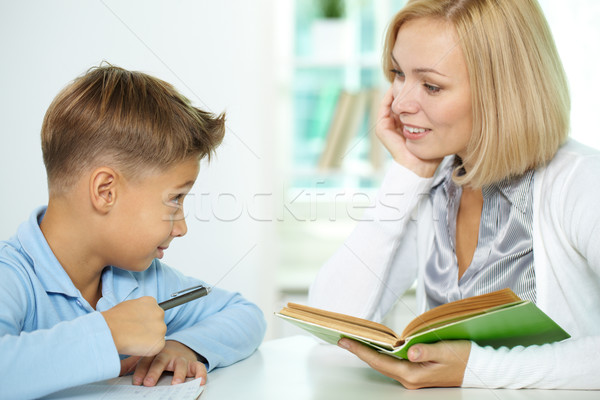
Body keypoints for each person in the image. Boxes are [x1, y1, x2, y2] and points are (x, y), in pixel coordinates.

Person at [309, 0, 600, 390]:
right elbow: (332, 322)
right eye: (398, 74)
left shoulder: (581, 182)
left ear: (502, 92)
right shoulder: (434, 181)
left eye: (431, 86)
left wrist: (477, 369)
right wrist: (407, 175)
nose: (399, 103)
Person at [0, 65, 266, 399]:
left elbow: (245, 315)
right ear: (105, 191)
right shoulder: (11, 277)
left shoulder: (144, 282)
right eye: (175, 199)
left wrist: (183, 346)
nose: (182, 227)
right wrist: (106, 335)